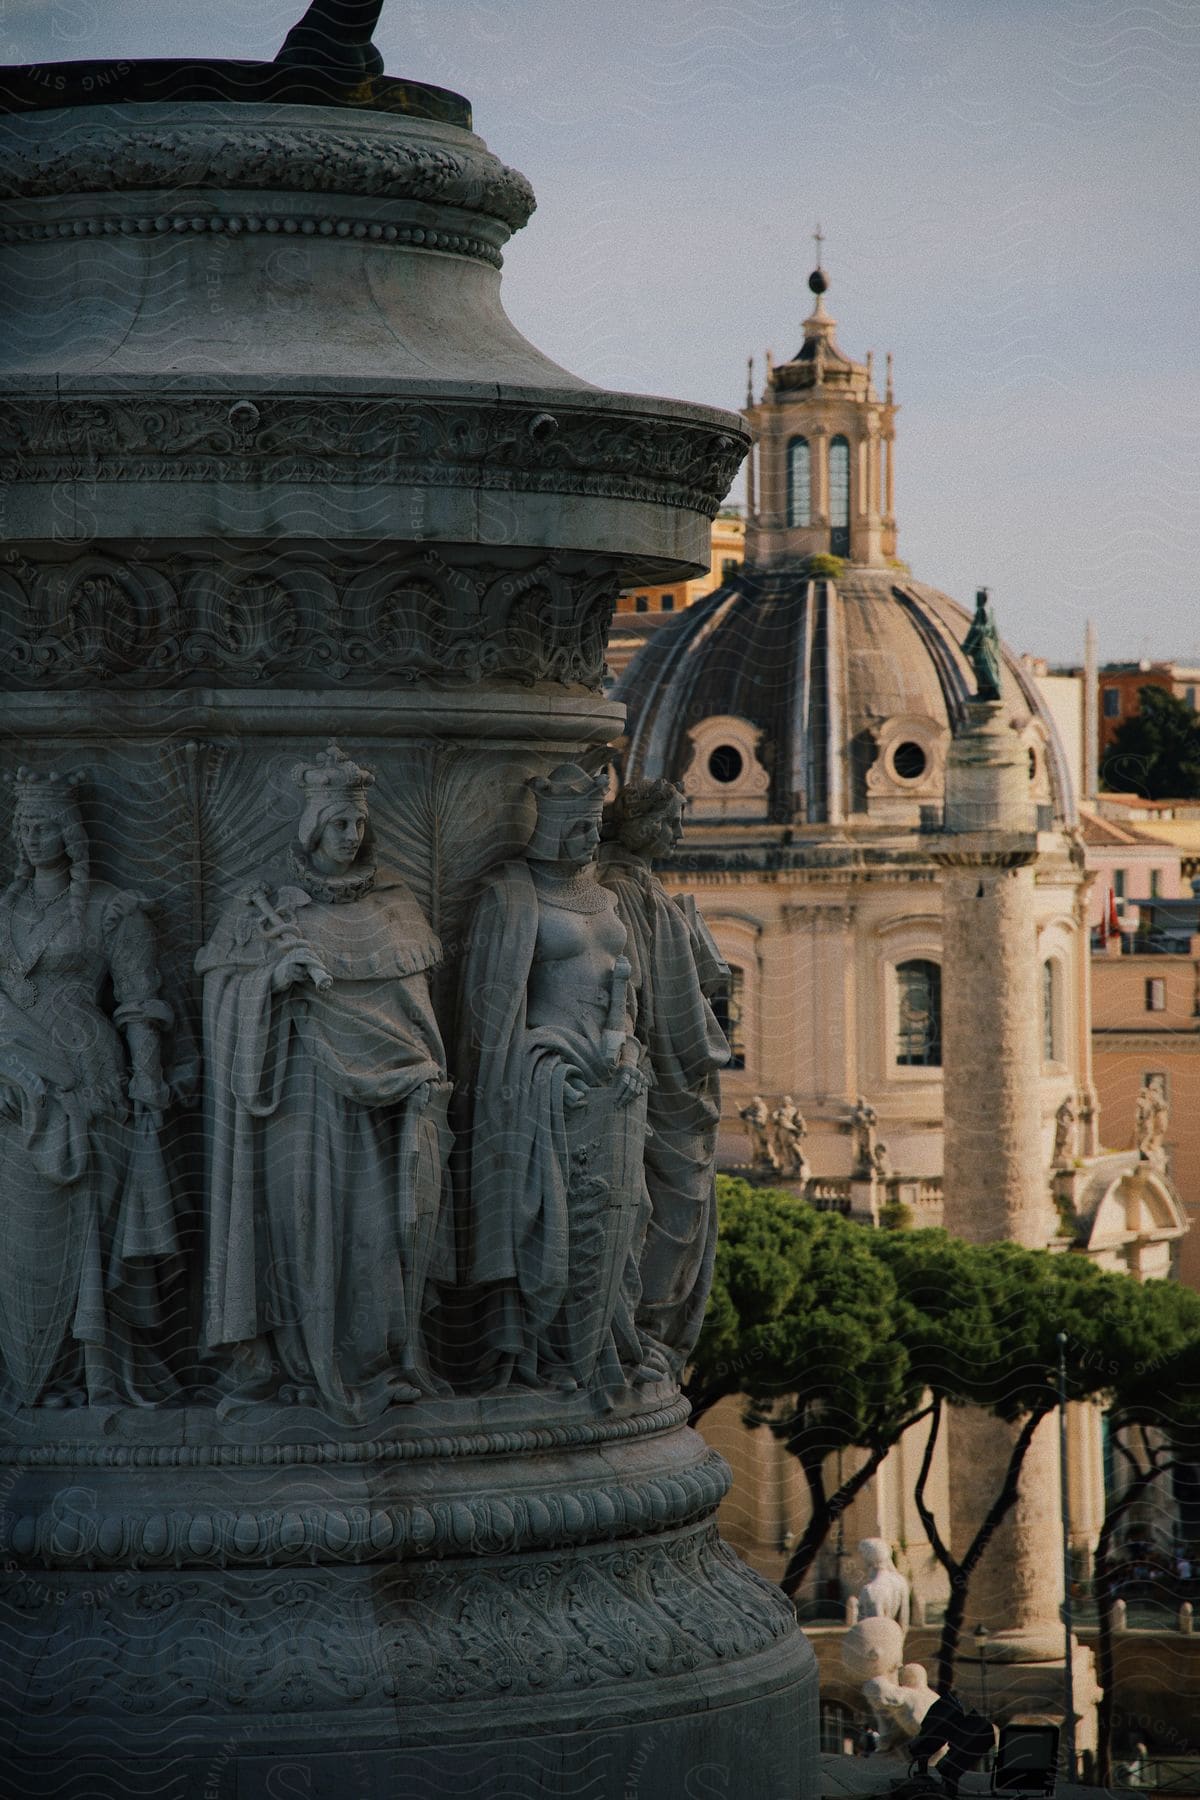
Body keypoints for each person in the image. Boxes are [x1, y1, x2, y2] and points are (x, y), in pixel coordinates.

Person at [196, 743, 451, 1423]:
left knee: (372, 1234)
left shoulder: (397, 907)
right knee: (300, 1227)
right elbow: (219, 994)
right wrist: (272, 983)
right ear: (311, 828)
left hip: (378, 1113)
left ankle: (373, 1360)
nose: (351, 835)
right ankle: (294, 1361)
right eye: (338, 823)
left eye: (358, 824)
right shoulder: (263, 909)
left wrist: (423, 1074)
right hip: (296, 1098)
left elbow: (416, 1017)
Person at [458, 764, 653, 1391]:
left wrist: (626, 1055)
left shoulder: (608, 897)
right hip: (545, 1080)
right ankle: (542, 1355)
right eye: (581, 828)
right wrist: (535, 1067)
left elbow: (625, 992)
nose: (593, 840)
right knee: (554, 1226)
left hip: (615, 1083)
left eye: (597, 827)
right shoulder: (511, 897)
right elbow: (492, 1015)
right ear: (553, 826)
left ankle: (598, 1349)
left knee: (616, 1226)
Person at [0, 767, 177, 1408]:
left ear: (70, 831)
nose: (33, 835)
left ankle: (93, 1370)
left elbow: (138, 1002)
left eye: (45, 823)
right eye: (24, 823)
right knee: (22, 1235)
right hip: (18, 1087)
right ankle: (30, 1377)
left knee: (91, 1231)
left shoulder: (110, 908)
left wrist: (150, 1080)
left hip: (92, 1081)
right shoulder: (3, 912)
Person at [598, 778, 730, 1371]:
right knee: (666, 1209)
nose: (678, 834)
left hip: (677, 1071)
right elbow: (637, 988)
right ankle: (646, 1327)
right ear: (642, 824)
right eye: (672, 820)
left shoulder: (642, 890)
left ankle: (653, 1329)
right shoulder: (621, 893)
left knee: (677, 1209)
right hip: (658, 1074)